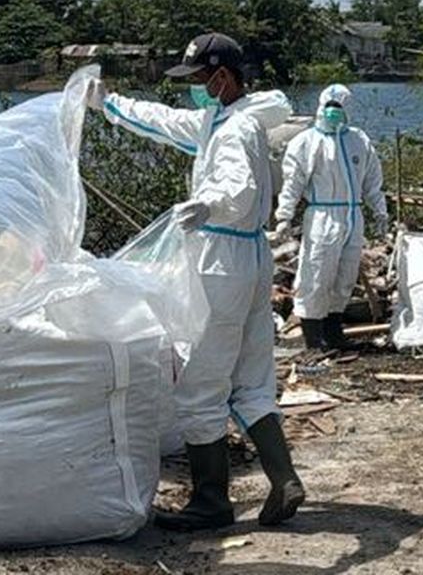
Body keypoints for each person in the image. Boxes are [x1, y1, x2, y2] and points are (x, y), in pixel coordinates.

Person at [86, 32, 304, 531]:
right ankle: (284, 476)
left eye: (199, 80)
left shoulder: (233, 132)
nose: (194, 90)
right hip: (250, 258)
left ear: (222, 78)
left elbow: (238, 187)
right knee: (250, 378)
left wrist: (209, 205)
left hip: (221, 259)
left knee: (200, 384)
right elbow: (165, 121)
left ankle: (211, 500)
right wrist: (108, 104)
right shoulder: (225, 118)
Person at [274, 84, 388, 350]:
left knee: (344, 275)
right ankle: (314, 338)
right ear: (321, 106)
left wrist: (380, 211)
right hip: (322, 215)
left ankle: (334, 333)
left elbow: (372, 180)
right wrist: (284, 215)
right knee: (316, 274)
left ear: (349, 109)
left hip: (353, 215)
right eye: (330, 106)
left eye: (339, 107)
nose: (334, 112)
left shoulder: (358, 140)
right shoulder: (306, 142)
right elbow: (293, 182)